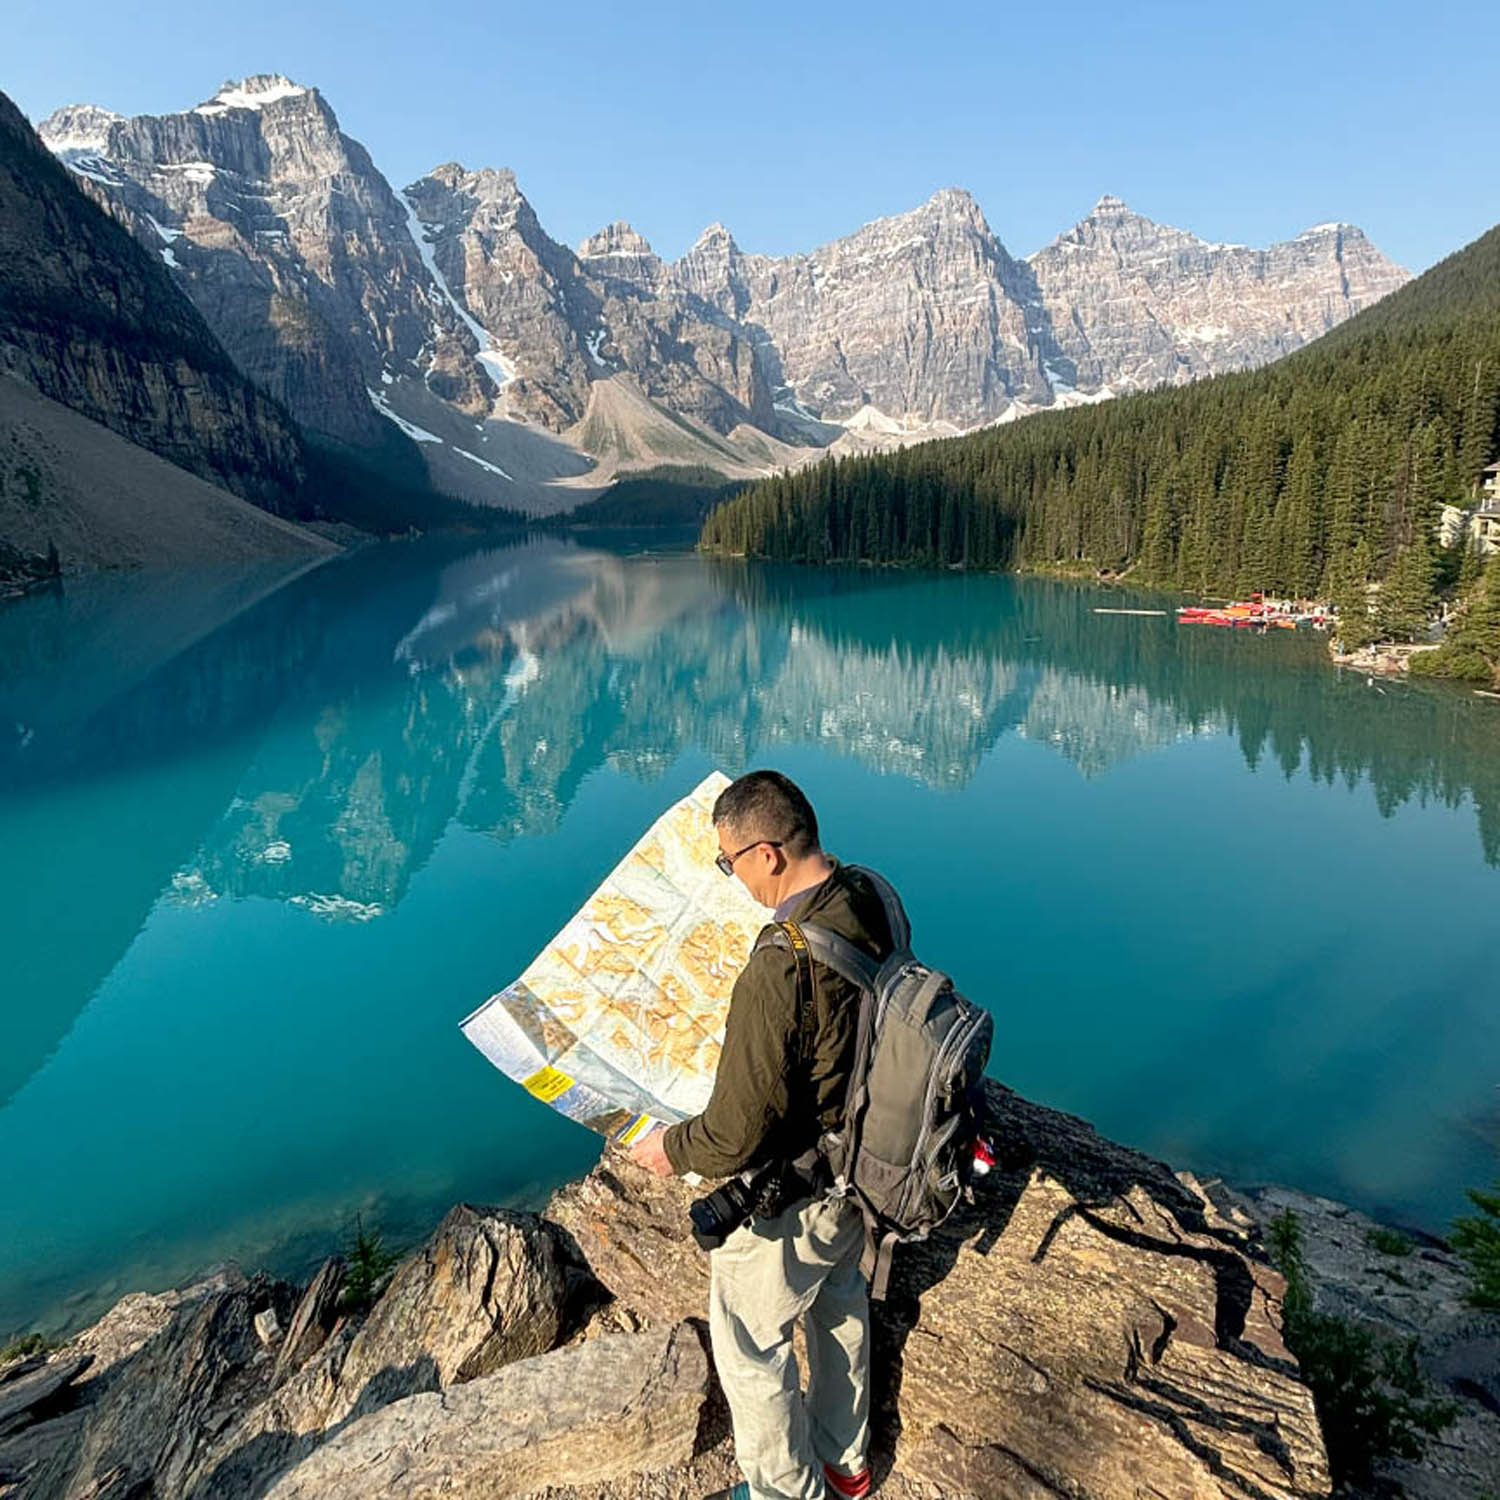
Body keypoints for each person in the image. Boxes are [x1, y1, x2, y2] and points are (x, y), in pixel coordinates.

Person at [629, 770, 894, 1500]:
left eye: (730, 861)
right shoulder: (868, 894)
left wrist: (671, 1148)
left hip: (798, 1187)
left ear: (768, 854)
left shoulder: (782, 964)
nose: (731, 876)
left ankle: (783, 1492)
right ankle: (845, 1461)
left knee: (749, 1341)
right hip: (864, 1168)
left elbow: (736, 1134)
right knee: (840, 1299)